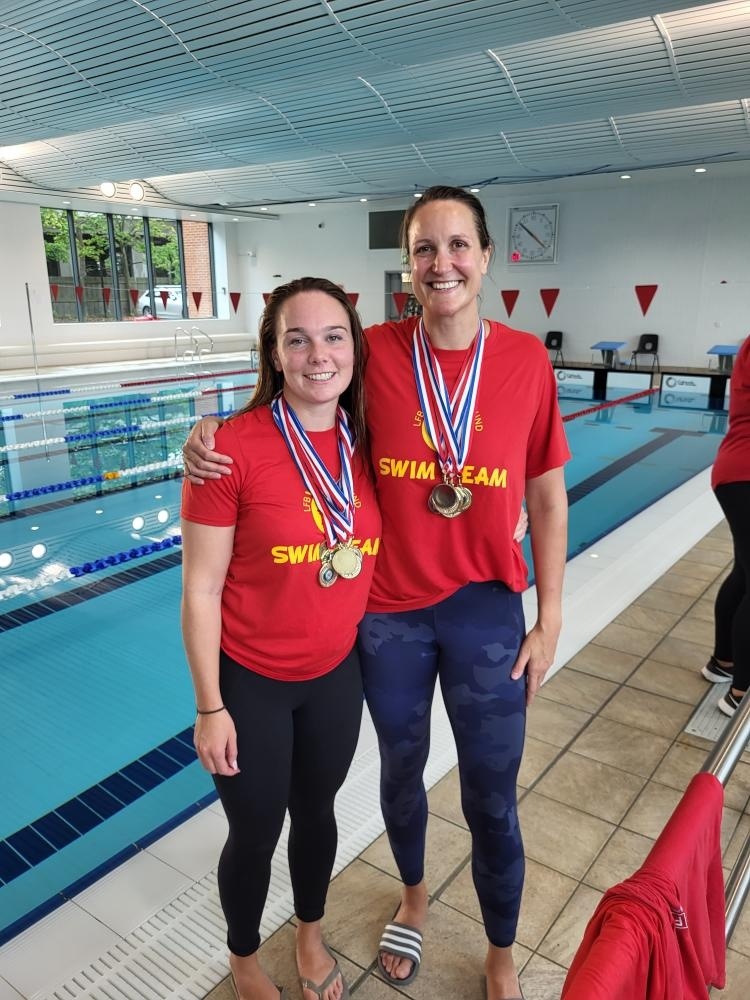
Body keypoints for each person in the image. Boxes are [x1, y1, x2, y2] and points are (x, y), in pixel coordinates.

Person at [183, 186, 570, 1000]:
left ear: (487, 256)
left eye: (457, 245)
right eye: (425, 248)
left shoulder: (527, 362)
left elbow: (546, 496)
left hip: (487, 612)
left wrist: (552, 614)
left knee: (492, 796)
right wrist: (206, 437)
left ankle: (501, 951)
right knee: (400, 771)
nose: (442, 263)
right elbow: (299, 415)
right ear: (407, 264)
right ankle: (415, 897)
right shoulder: (377, 353)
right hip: (388, 613)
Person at [181, 277, 381, 1000]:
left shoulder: (370, 441)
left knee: (318, 812)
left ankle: (309, 930)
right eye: (296, 338)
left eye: (333, 337)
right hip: (252, 685)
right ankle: (242, 958)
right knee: (256, 832)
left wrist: (508, 514)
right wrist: (210, 707)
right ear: (273, 351)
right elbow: (200, 589)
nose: (317, 354)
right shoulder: (229, 449)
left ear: (353, 348)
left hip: (335, 676)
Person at [701, 335, 750, 717]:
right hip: (745, 473)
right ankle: (741, 693)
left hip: (736, 469)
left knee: (745, 574)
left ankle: (724, 662)